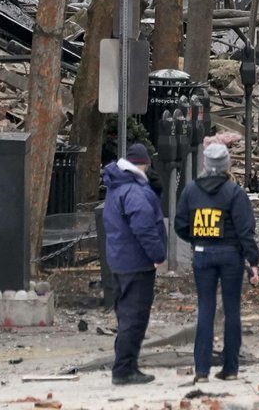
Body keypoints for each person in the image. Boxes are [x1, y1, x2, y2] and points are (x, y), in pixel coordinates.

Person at [174, 142, 259, 384]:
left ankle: (202, 370)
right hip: (231, 256)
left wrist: (198, 239)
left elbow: (180, 224)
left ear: (205, 165)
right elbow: (246, 231)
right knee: (232, 310)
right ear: (226, 166)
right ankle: (230, 368)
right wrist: (253, 262)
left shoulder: (191, 191)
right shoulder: (235, 193)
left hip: (202, 254)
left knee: (206, 309)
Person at [101, 142, 167, 386]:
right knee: (134, 318)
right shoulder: (134, 191)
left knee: (125, 316)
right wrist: (158, 254)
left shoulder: (116, 187)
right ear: (144, 164)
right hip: (136, 263)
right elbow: (144, 226)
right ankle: (124, 370)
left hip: (119, 260)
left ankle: (126, 365)